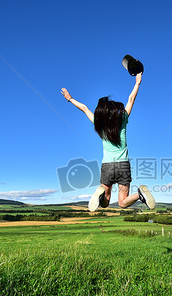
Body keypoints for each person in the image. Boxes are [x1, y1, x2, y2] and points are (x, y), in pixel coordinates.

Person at [61, 72, 155, 212]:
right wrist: (137, 82)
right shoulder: (122, 120)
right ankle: (140, 195)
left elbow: (85, 109)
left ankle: (101, 197)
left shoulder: (100, 125)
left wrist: (70, 99)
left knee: (106, 203)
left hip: (107, 166)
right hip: (123, 165)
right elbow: (131, 99)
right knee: (122, 203)